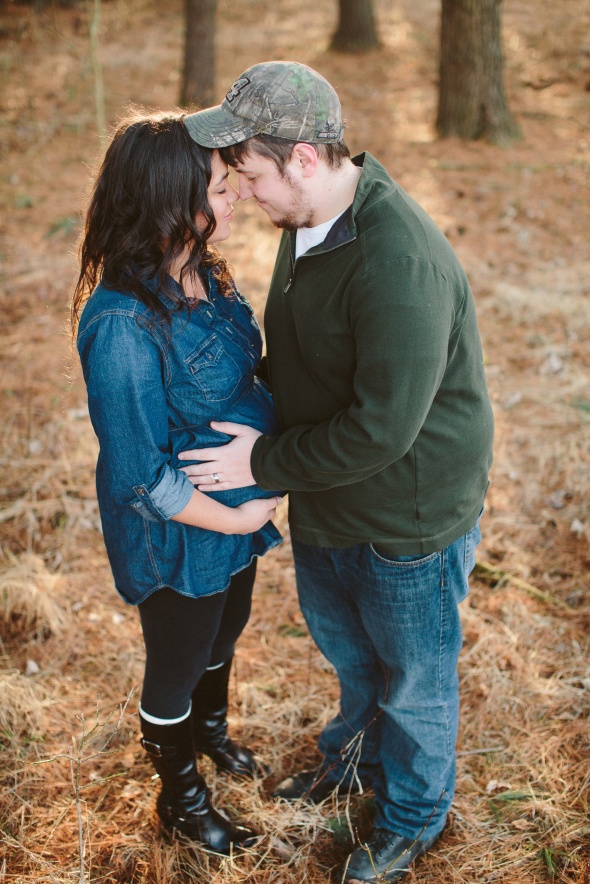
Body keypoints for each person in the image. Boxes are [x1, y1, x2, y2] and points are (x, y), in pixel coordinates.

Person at [178, 61, 495, 881]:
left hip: (404, 517)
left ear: (305, 159)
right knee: (357, 661)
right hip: (333, 494)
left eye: (249, 174)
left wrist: (264, 461)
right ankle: (353, 762)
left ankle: (412, 815)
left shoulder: (397, 262)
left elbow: (384, 429)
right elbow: (308, 361)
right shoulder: (309, 224)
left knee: (413, 681)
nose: (242, 194)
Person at [71, 111, 284, 856]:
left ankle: (212, 732)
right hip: (180, 537)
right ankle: (181, 800)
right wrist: (233, 517)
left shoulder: (205, 274)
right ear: (170, 204)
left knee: (227, 632)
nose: (235, 201)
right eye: (221, 189)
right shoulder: (121, 324)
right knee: (175, 666)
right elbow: (139, 476)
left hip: (238, 515)